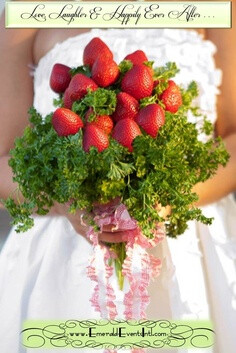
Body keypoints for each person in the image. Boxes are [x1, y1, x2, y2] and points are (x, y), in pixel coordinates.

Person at [0, 5, 236, 353]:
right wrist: (68, 203)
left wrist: (173, 197)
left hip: (193, 247)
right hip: (64, 257)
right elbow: (5, 160)